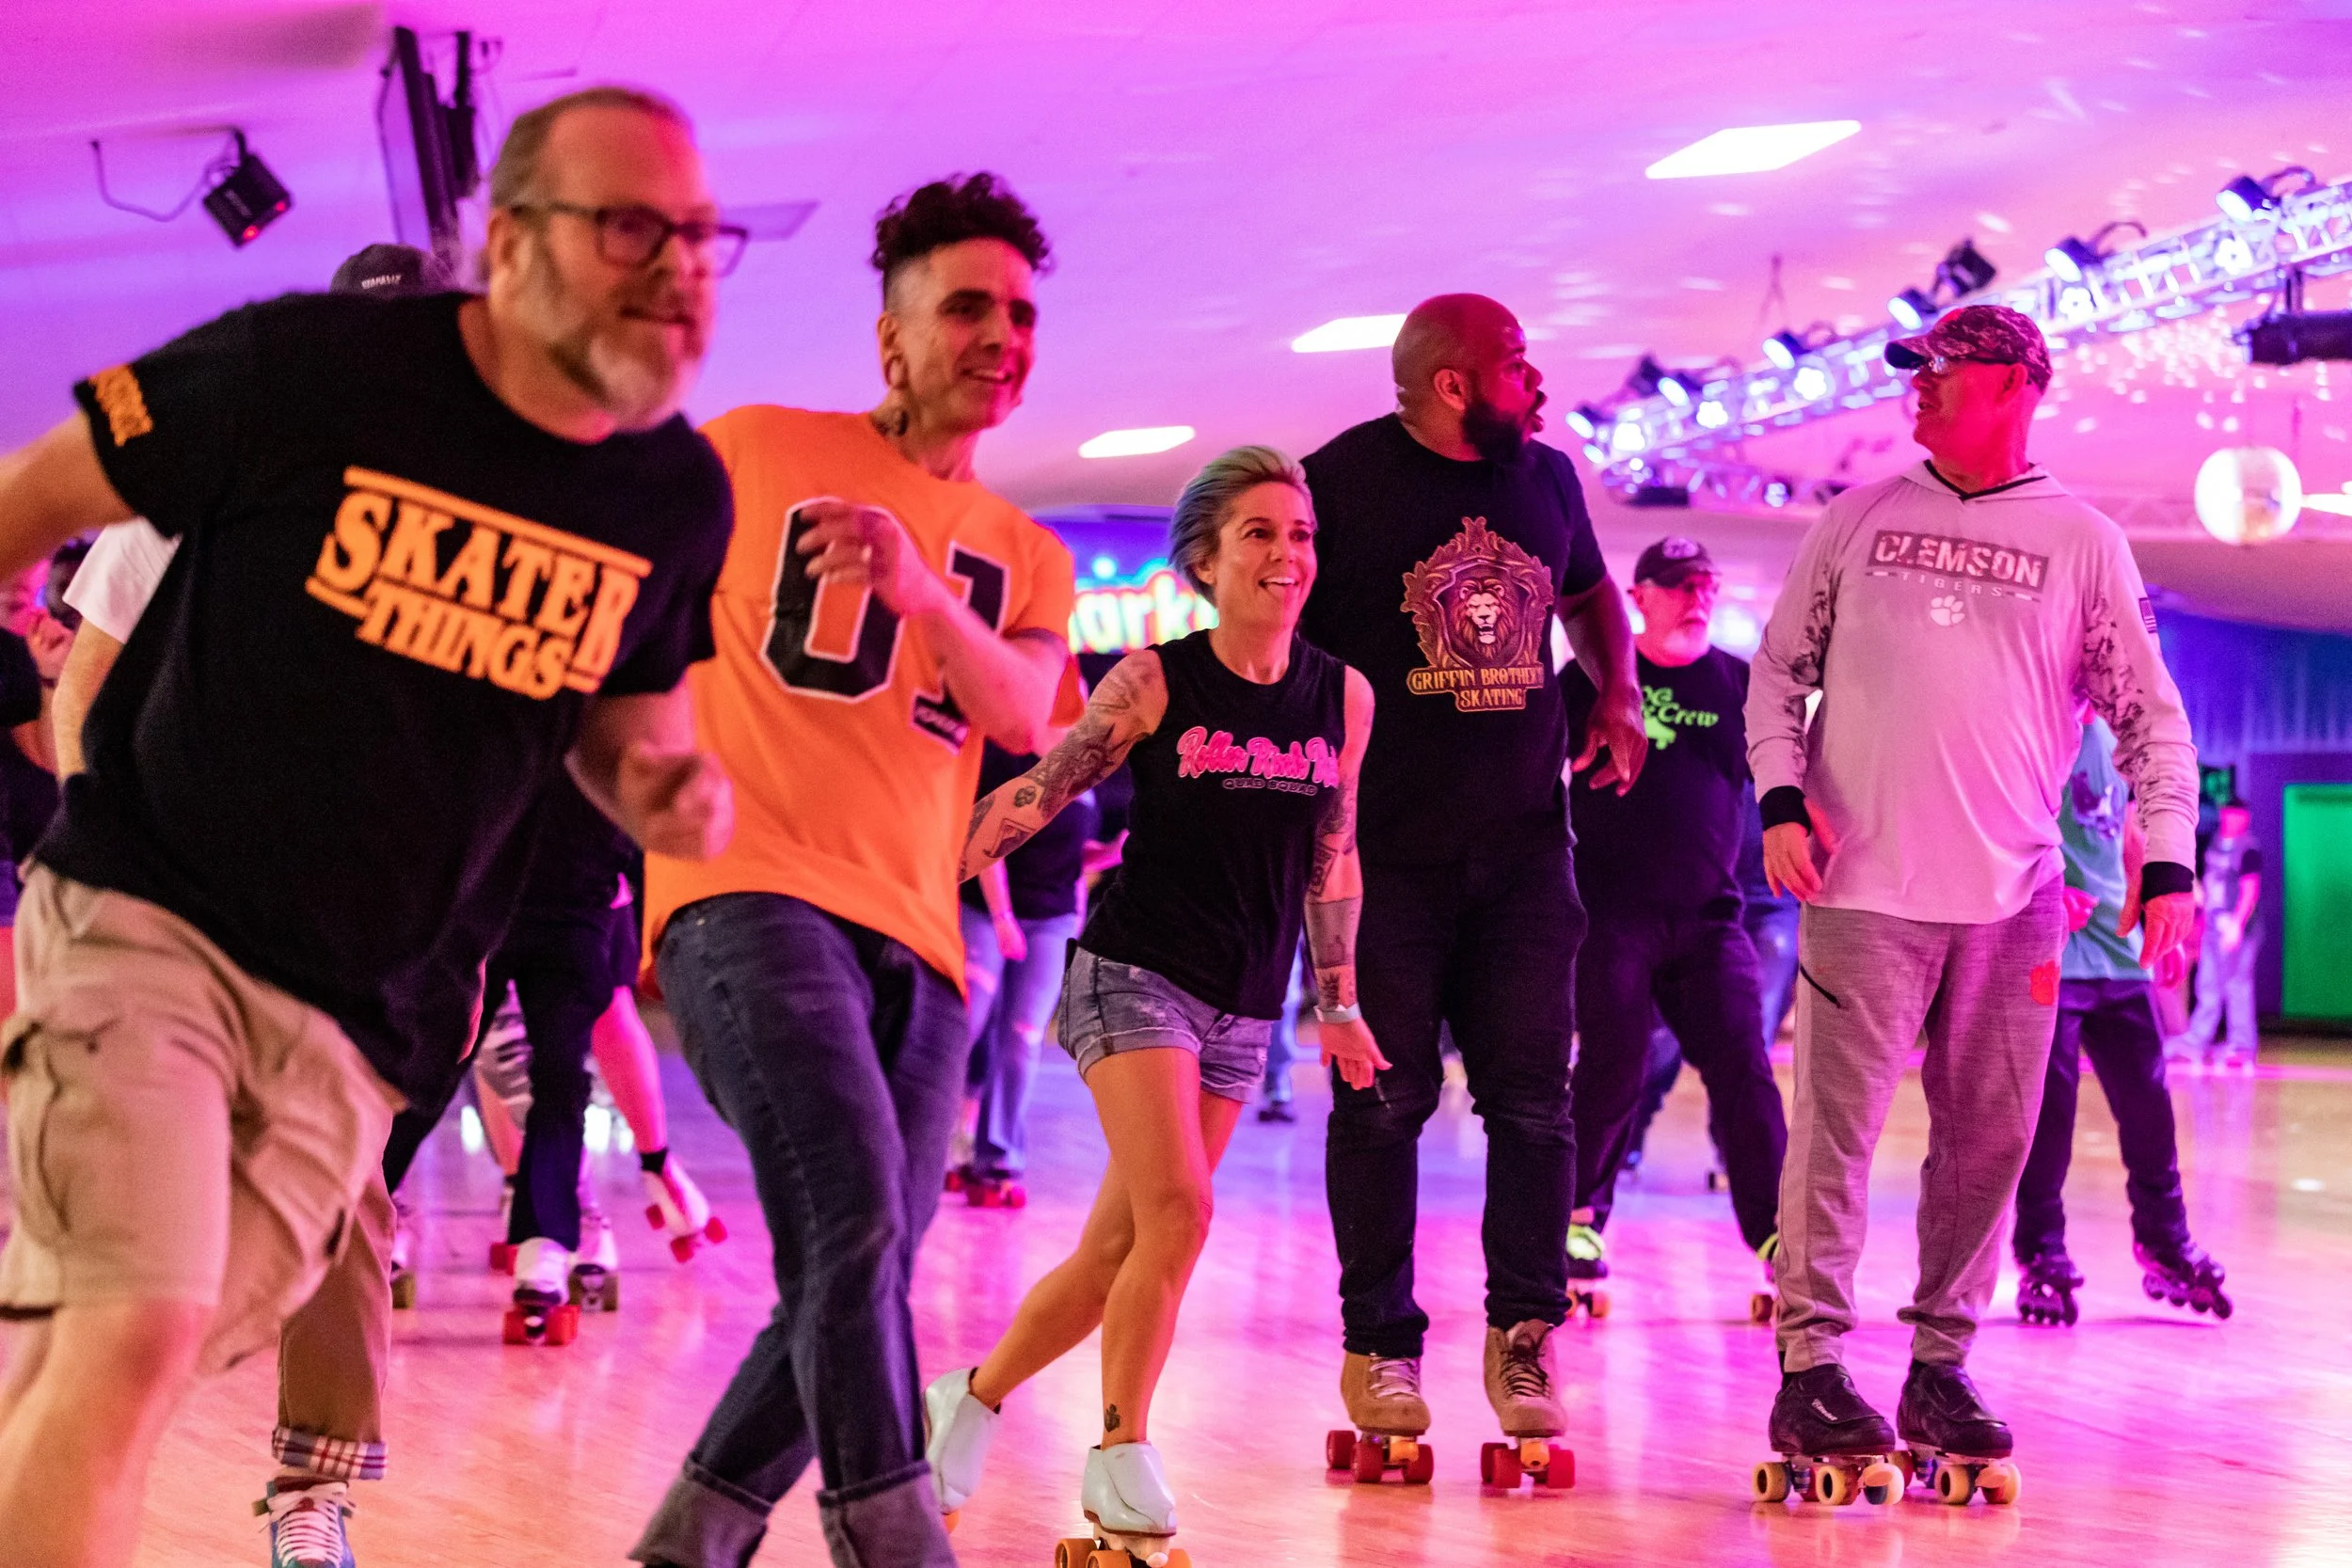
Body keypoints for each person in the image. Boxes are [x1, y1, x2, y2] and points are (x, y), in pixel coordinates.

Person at [0, 86, 739, 1568]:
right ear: (510, 243)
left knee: (134, 1341)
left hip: (368, 1012)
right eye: (631, 228)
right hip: (154, 915)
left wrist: (670, 785)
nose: (678, 267)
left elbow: (627, 722)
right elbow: (34, 499)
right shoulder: (299, 368)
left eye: (702, 236)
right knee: (133, 1323)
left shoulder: (672, 493)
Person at [631, 173, 1077, 1568]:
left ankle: (688, 1539)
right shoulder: (752, 450)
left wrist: (922, 587)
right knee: (857, 1212)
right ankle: (893, 1533)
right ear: (890, 339)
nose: (997, 334)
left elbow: (1022, 717)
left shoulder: (1030, 552)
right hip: (744, 894)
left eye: (1018, 312)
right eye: (963, 307)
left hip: (927, 941)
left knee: (859, 1248)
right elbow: (615, 611)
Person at [1746, 303, 2198, 1497]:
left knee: (1989, 1143)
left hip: (2016, 900)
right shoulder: (1860, 518)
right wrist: (1780, 798)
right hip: (1860, 886)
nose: (1916, 388)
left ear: (2012, 383)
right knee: (1832, 1136)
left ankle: (1939, 1364)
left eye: (1939, 371)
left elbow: (2148, 712)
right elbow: (1780, 669)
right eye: (1913, 371)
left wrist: (2166, 860)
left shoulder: (2082, 539)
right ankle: (1811, 1365)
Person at [921, 446, 1380, 1561]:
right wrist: (915, 877)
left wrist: (1339, 1001)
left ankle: (964, 1400)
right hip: (1132, 971)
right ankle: (1121, 1450)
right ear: (1207, 563)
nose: (1288, 554)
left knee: (1119, 1248)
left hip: (1243, 1001)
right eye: (1260, 533)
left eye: (1300, 534)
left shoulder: (1342, 694)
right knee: (1181, 1211)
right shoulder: (1154, 679)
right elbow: (1037, 792)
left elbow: (1333, 852)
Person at [1296, 294, 1644, 1466]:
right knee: (1382, 1102)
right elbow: (1266, 626)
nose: (1535, 379)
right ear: (1452, 383)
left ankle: (1523, 1332)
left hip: (1524, 854)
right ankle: (1380, 1340)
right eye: (1514, 362)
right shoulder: (1334, 484)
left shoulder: (1545, 481)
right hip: (1380, 857)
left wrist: (1616, 689)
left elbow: (1592, 595)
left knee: (1535, 1100)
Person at [1561, 536, 1787, 1315]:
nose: (1697, 596)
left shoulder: (1738, 684)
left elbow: (1788, 780)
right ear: (1639, 597)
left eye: (1707, 582)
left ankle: (1777, 1237)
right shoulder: (1593, 679)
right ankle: (1579, 1221)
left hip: (1708, 919)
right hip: (1611, 915)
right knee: (1613, 1064)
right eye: (1680, 584)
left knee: (1744, 1068)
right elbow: (1531, 778)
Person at [2013, 716, 2231, 1326]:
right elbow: (1994, 827)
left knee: (2150, 1112)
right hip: (2050, 953)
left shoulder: (2116, 737)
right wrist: (2039, 891)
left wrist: (2154, 917)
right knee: (2049, 1119)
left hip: (2117, 950)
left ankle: (2164, 1243)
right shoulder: (2036, 724)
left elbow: (2128, 834)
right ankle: (2041, 1252)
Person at [950, 740, 1099, 1204]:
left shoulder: (1088, 773)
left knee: (1021, 1039)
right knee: (964, 1026)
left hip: (1049, 922)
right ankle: (934, 1146)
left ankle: (996, 1161)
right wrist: (1002, 918)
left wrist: (1109, 856)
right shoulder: (1007, 758)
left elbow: (1071, 860)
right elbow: (985, 842)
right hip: (985, 911)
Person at [2182, 797, 2262, 1067]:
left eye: (2237, 815)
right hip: (2212, 925)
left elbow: (2250, 890)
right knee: (2207, 983)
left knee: (2237, 984)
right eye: (2228, 814)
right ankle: (2198, 1040)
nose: (2232, 820)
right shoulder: (2213, 842)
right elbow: (2200, 877)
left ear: (2245, 818)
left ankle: (2241, 1045)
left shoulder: (2248, 849)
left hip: (2237, 928)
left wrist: (2237, 925)